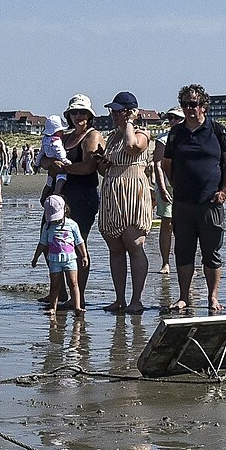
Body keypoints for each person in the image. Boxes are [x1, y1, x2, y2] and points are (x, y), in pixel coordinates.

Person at [159, 84, 226, 313]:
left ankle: (212, 297)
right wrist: (176, 186)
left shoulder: (218, 131)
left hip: (211, 202)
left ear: (204, 106)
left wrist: (224, 191)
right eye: (185, 105)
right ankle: (183, 297)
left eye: (193, 104)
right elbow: (167, 165)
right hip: (183, 203)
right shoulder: (176, 133)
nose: (189, 109)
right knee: (183, 251)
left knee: (211, 251)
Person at [97, 93, 153, 313]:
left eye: (118, 111)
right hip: (112, 193)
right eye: (113, 111)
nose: (113, 115)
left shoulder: (141, 134)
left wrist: (130, 122)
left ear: (130, 112)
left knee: (135, 245)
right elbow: (104, 170)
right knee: (115, 248)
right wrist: (101, 161)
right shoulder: (111, 137)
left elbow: (132, 147)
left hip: (133, 193)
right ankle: (119, 298)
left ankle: (136, 300)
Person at [53, 96, 103, 293]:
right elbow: (48, 160)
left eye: (82, 112)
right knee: (52, 243)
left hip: (83, 196)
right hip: (60, 196)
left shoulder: (92, 136)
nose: (78, 116)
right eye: (74, 112)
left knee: (77, 245)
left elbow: (88, 167)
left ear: (89, 115)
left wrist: (63, 169)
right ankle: (59, 292)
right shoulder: (65, 136)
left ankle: (78, 294)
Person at [30, 194, 86, 314]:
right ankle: (53, 307)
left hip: (70, 259)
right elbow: (42, 243)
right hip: (54, 260)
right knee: (55, 285)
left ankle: (77, 306)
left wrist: (84, 256)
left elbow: (79, 241)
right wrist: (35, 258)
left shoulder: (72, 225)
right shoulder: (47, 227)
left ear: (65, 209)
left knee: (73, 283)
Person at [149, 104, 180, 274]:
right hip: (167, 186)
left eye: (177, 118)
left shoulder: (192, 136)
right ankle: (166, 262)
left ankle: (186, 262)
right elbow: (158, 165)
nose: (173, 121)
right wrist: (161, 187)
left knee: (186, 226)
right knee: (166, 224)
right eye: (171, 118)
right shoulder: (163, 139)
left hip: (187, 188)